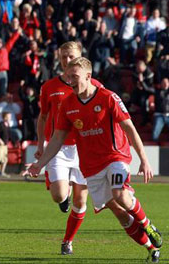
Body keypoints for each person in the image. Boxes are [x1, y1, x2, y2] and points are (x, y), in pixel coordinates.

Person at [26, 57, 163, 263]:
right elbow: (57, 139)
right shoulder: (68, 105)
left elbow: (130, 129)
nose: (71, 81)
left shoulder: (108, 97)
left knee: (121, 195)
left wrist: (143, 159)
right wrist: (40, 163)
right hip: (91, 167)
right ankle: (151, 248)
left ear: (88, 76)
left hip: (115, 156)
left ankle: (147, 223)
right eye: (68, 76)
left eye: (75, 77)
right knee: (119, 213)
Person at [34, 41, 103, 255]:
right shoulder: (49, 87)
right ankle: (63, 198)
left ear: (80, 57)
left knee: (81, 200)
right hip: (58, 147)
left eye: (71, 56)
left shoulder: (96, 86)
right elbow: (43, 116)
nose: (67, 60)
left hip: (84, 148)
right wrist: (39, 144)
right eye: (63, 56)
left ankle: (67, 241)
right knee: (58, 195)